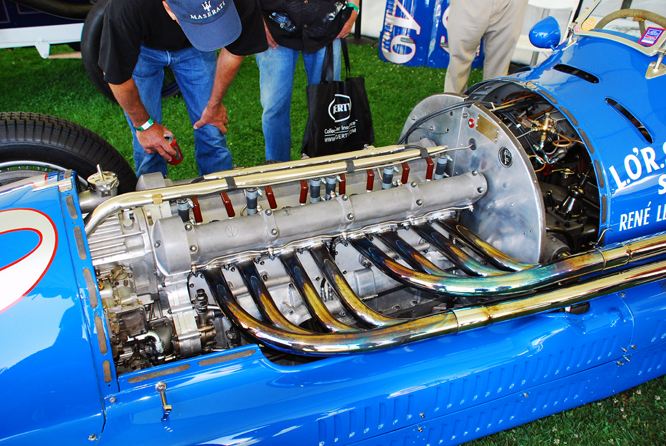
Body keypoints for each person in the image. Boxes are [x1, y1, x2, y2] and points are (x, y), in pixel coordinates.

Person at [99, 0, 268, 178]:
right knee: (148, 144)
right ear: (167, 7)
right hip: (143, 48)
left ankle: (219, 196)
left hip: (194, 49)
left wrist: (214, 105)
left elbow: (235, 51)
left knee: (212, 130)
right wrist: (145, 125)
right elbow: (117, 76)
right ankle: (154, 202)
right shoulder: (126, 6)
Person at [256, 0, 358, 162]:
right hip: (274, 24)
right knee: (274, 108)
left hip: (327, 25)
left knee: (327, 105)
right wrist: (257, 19)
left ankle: (322, 167)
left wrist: (354, 9)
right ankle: (277, 171)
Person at [444, 0, 528, 95]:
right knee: (459, 62)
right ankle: (452, 106)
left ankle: (491, 106)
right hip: (469, 3)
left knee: (499, 66)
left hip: (512, 4)